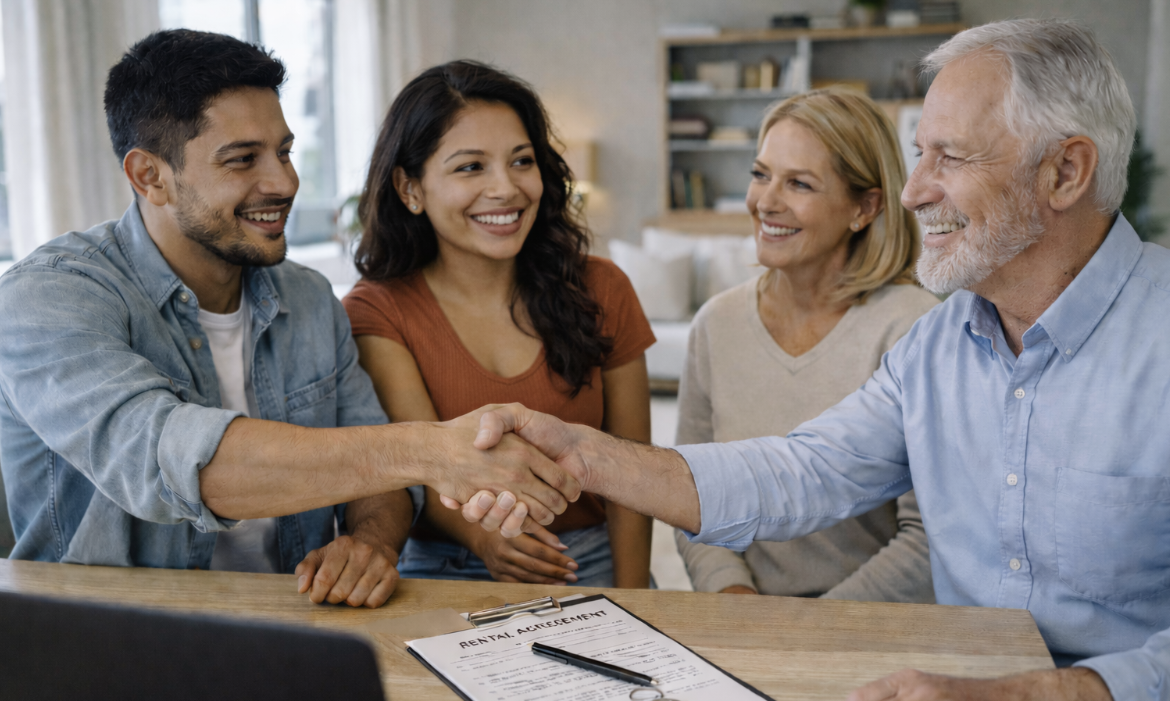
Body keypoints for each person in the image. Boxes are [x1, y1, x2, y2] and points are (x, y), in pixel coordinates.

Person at [457, 20, 1168, 701]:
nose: (914, 191)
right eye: (918, 154)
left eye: (951, 157)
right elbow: (801, 472)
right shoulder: (940, 343)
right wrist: (583, 454)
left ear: (1065, 173)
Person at [0, 31, 580, 609]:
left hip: (293, 624)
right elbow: (180, 463)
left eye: (284, 152)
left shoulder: (308, 297)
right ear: (149, 176)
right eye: (242, 159)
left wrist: (369, 543)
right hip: (106, 637)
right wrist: (432, 450)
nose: (284, 183)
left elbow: (386, 486)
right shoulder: (49, 297)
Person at [343, 61, 655, 588]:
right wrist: (486, 539)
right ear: (410, 188)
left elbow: (635, 473)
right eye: (471, 167)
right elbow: (423, 469)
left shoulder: (603, 288)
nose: (506, 188)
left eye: (521, 161)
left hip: (589, 557)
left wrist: (632, 598)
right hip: (443, 566)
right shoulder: (377, 310)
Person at [675, 89, 937, 602]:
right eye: (760, 174)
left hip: (868, 628)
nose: (765, 202)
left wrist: (807, 629)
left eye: (799, 183)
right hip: (743, 617)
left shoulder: (914, 328)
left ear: (864, 207)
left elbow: (928, 538)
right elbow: (689, 494)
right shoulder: (715, 324)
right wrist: (732, 595)